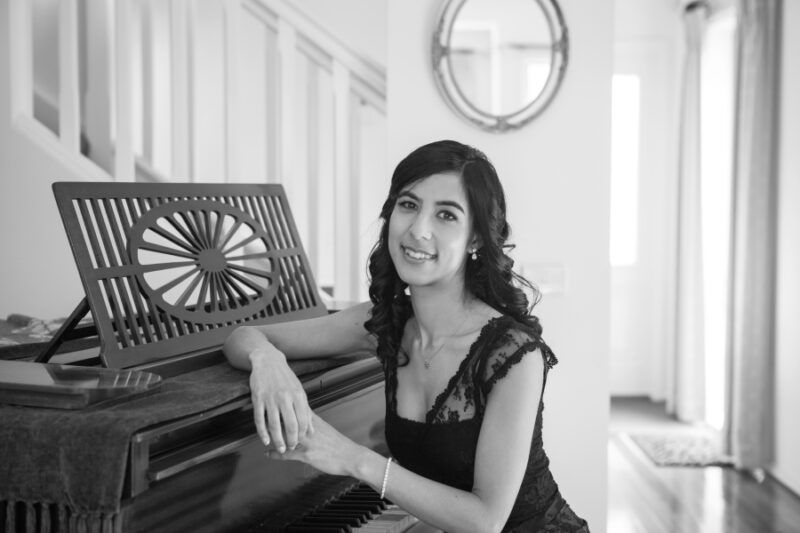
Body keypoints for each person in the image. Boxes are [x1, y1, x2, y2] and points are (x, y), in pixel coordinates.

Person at [223, 140, 589, 532]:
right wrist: (268, 363)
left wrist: (352, 458)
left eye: (446, 215)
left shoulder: (514, 354)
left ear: (476, 239)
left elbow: (485, 522)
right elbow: (242, 336)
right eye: (409, 205)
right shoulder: (386, 322)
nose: (417, 230)